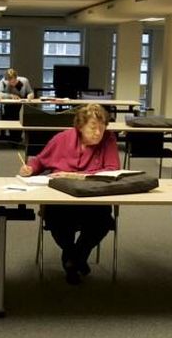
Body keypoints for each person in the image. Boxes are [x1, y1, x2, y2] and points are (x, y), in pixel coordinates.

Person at [19, 104, 119, 285]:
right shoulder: (62, 138)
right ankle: (76, 259)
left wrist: (76, 176)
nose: (98, 133)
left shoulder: (108, 140)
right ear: (80, 127)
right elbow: (40, 161)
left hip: (93, 198)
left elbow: (112, 171)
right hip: (62, 199)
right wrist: (30, 168)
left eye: (102, 128)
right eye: (93, 128)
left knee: (103, 223)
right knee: (57, 220)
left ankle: (73, 258)